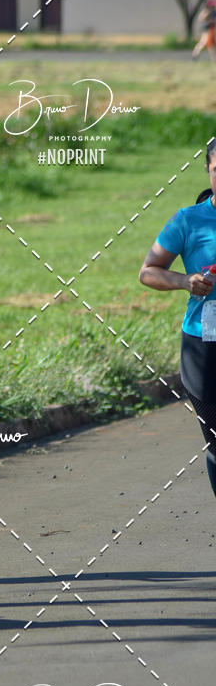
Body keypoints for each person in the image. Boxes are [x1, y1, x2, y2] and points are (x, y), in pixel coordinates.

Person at [139, 137, 216, 499]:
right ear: (208, 170)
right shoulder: (189, 220)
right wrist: (186, 281)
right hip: (204, 344)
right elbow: (149, 271)